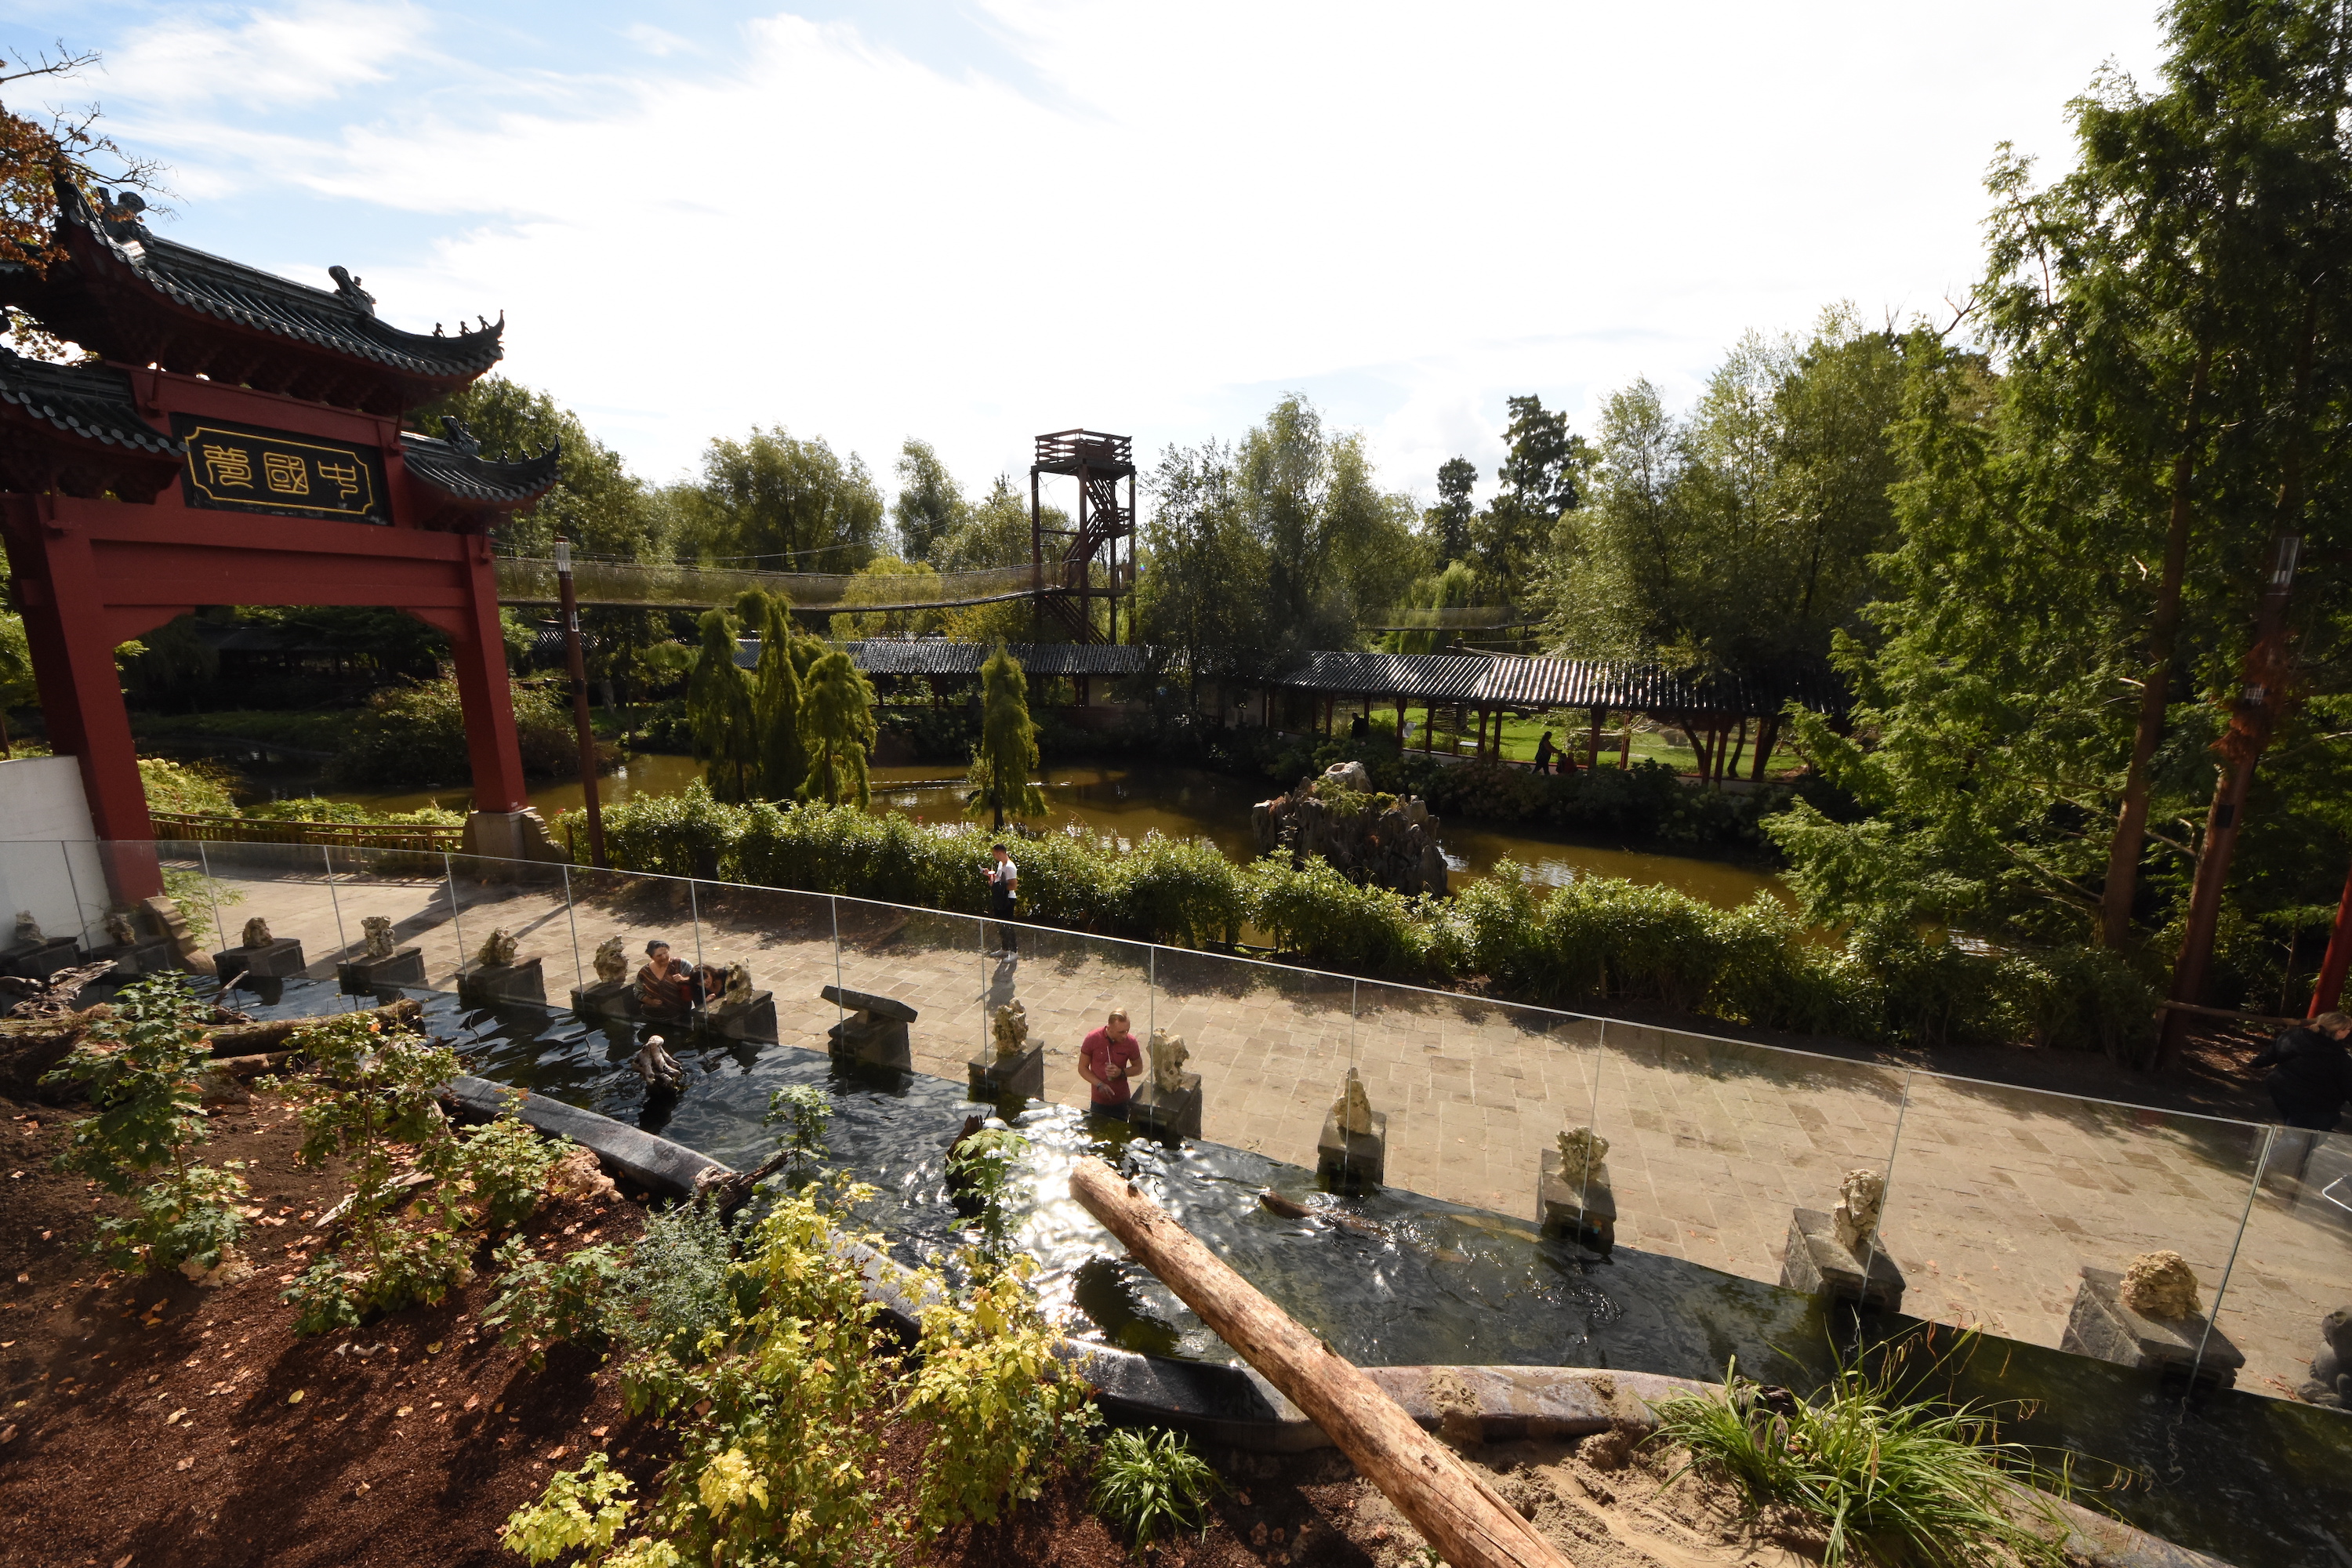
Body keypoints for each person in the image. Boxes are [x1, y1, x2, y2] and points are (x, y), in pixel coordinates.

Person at [1078, 1006, 1144, 1114]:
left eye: (1127, 1031)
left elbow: (1138, 1068)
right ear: (1109, 1028)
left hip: (1121, 1099)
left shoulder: (1131, 1042)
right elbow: (1082, 1068)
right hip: (1098, 1100)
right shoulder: (1093, 1038)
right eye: (1121, 1032)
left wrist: (1121, 1072)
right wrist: (1099, 1085)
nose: (1125, 1036)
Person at [637, 940, 715, 1019]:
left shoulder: (682, 964)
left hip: (681, 1016)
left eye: (666, 953)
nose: (664, 957)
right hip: (653, 1017)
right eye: (659, 955)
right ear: (652, 957)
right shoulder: (644, 972)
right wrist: (650, 1001)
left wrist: (684, 979)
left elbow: (697, 979)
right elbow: (637, 991)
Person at [984, 843, 1019, 956]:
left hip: (1008, 899)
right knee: (1000, 924)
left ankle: (1014, 951)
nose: (994, 857)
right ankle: (1005, 948)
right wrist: (991, 878)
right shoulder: (1000, 864)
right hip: (999, 898)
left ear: (1000, 853)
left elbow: (1013, 886)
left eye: (995, 854)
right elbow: (998, 880)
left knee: (1008, 925)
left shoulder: (1010, 867)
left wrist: (999, 888)